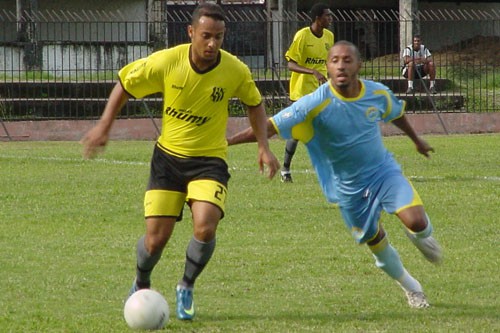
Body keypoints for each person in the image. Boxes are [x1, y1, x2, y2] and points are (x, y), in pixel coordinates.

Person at [80, 3, 279, 321]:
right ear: (191, 33)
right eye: (206, 36)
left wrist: (263, 147)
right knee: (155, 240)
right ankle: (142, 282)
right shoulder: (167, 61)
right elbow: (125, 85)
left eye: (219, 37)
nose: (212, 44)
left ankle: (186, 285)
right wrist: (104, 127)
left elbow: (255, 103)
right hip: (168, 161)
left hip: (209, 161)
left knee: (205, 225)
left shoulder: (234, 70)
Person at [228, 41, 443, 308]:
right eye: (334, 60)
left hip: (382, 173)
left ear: (358, 65)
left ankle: (418, 235)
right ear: (327, 67)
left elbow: (395, 113)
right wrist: (225, 142)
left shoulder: (376, 93)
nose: (341, 65)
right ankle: (412, 287)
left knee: (418, 222)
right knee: (376, 240)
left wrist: (416, 141)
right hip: (348, 188)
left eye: (347, 60)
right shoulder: (314, 104)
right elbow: (268, 126)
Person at [280, 3, 334, 183]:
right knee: (297, 133)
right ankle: (285, 169)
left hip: (320, 91)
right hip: (300, 92)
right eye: (327, 16)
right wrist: (312, 71)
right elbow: (290, 64)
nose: (330, 19)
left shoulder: (329, 36)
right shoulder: (302, 36)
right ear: (317, 18)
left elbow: (328, 62)